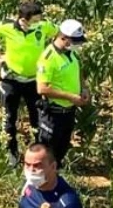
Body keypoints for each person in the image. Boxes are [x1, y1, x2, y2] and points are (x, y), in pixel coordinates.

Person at [0, 0, 59, 167]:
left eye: (40, 19)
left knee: (37, 119)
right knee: (9, 118)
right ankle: (11, 153)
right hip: (11, 79)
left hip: (34, 80)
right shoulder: (7, 26)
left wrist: (51, 55)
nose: (39, 23)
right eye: (35, 20)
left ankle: (38, 155)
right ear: (23, 19)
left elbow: (58, 34)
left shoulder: (44, 26)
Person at [36, 20, 89, 163]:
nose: (77, 45)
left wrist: (83, 88)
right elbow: (42, 88)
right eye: (75, 41)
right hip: (53, 113)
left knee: (62, 146)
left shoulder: (71, 54)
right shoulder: (48, 58)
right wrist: (70, 96)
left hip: (69, 111)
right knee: (47, 150)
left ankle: (56, 175)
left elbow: (78, 72)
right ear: (63, 37)